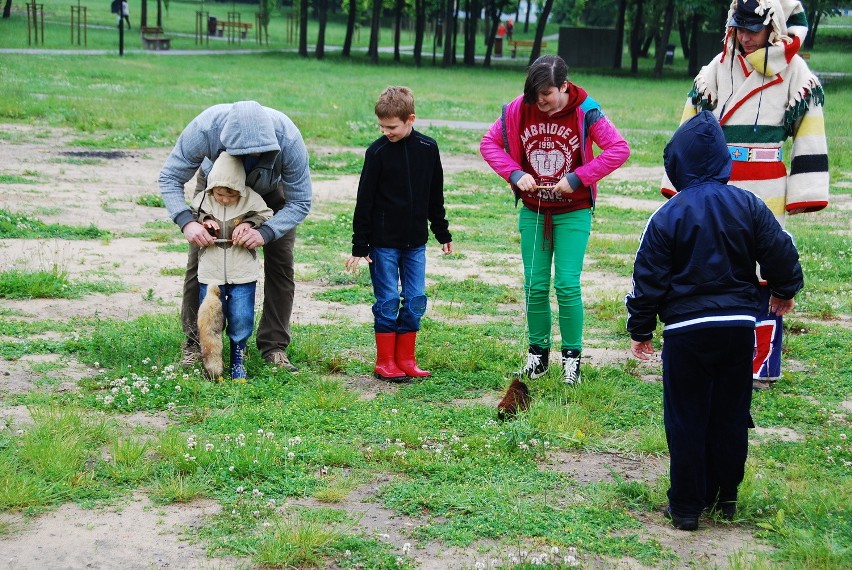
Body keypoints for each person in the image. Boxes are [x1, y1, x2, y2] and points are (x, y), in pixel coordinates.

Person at [627, 111, 804, 531]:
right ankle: (725, 498)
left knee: (686, 417)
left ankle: (687, 507)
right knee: (730, 413)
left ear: (678, 164)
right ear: (724, 160)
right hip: (737, 328)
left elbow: (647, 277)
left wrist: (640, 329)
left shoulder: (667, 215)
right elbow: (780, 250)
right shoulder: (748, 204)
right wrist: (784, 288)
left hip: (686, 334)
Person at [660, 0, 828, 390]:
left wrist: (806, 189)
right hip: (717, 182)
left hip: (767, 185)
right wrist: (678, 183)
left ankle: (761, 365)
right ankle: (704, 350)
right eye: (740, 28)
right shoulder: (717, 68)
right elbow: (689, 129)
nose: (746, 37)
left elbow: (809, 130)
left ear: (774, 29)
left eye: (754, 29)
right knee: (709, 260)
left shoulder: (796, 72)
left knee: (764, 269)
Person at [480, 55, 630, 391]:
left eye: (547, 94)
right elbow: (489, 144)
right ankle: (538, 355)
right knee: (534, 284)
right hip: (533, 211)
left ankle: (571, 360)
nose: (540, 102)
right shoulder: (518, 109)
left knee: (566, 284)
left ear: (564, 86)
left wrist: (578, 178)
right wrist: (515, 174)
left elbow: (618, 149)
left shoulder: (587, 109)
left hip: (573, 211)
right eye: (535, 95)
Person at [159, 101, 312, 372]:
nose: (250, 156)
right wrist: (187, 222)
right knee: (202, 264)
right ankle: (196, 343)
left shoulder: (288, 137)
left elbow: (300, 201)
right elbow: (170, 177)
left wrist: (265, 231)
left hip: (269, 193)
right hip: (218, 189)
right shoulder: (205, 128)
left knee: (281, 264)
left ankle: (274, 346)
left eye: (257, 152)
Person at [345, 86, 453, 382]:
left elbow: (435, 194)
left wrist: (442, 231)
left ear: (410, 119)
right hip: (383, 244)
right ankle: (385, 361)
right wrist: (360, 244)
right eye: (381, 126)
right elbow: (364, 200)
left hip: (415, 242)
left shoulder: (428, 149)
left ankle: (406, 358)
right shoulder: (377, 152)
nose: (386, 131)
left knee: (416, 299)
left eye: (391, 126)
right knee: (388, 300)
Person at [192, 152, 273, 381]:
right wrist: (204, 222)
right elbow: (191, 215)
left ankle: (239, 358)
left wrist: (249, 224)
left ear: (241, 190)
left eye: (231, 195)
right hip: (211, 273)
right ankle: (211, 363)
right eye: (219, 194)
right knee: (210, 319)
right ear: (211, 189)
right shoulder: (203, 200)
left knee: (241, 317)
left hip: (242, 272)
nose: (225, 200)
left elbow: (267, 215)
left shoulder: (252, 199)